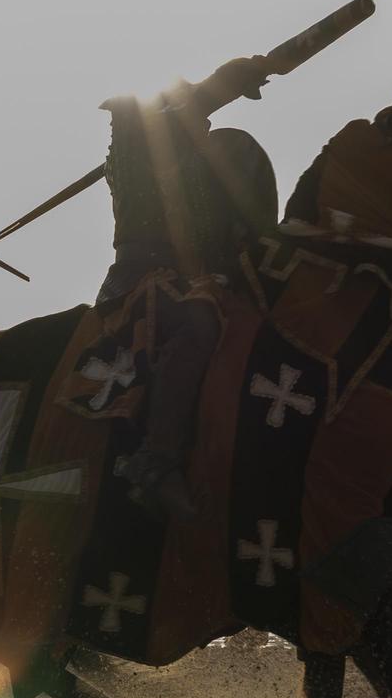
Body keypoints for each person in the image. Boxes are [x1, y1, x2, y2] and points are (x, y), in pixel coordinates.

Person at [96, 59, 278, 517]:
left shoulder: (185, 154)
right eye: (195, 111)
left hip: (190, 274)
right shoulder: (135, 138)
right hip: (142, 277)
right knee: (197, 326)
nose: (204, 121)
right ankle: (156, 460)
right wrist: (235, 75)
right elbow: (193, 103)